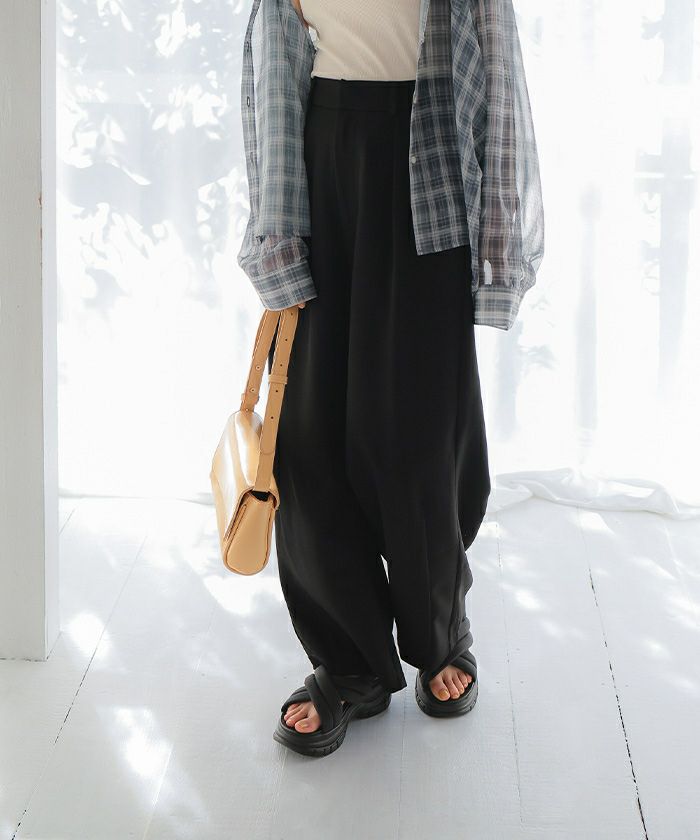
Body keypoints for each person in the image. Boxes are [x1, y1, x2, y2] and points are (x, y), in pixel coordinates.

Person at [237, 0, 544, 757]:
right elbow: (269, 77)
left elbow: (500, 81)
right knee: (307, 435)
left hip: (428, 161)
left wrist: (501, 241)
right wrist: (276, 233)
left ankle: (440, 633)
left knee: (419, 437)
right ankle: (349, 667)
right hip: (322, 160)